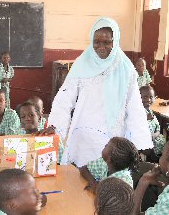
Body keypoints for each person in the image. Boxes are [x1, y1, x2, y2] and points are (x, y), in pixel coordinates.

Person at [43, 17, 152, 167]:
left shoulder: (126, 69)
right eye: (97, 42)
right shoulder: (82, 64)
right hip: (84, 138)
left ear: (115, 41)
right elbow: (64, 98)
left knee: (108, 178)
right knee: (82, 179)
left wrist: (138, 143)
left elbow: (134, 107)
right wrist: (55, 125)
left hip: (112, 138)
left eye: (107, 42)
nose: (101, 47)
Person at [140, 86, 166, 161]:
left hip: (156, 142)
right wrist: (145, 119)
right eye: (144, 97)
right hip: (146, 144)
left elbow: (158, 128)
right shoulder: (137, 112)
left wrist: (154, 135)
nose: (148, 100)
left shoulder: (150, 111)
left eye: (151, 97)